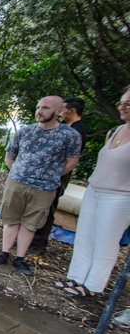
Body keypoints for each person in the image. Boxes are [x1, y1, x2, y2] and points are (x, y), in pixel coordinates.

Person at [0, 96, 81, 275]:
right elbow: (9, 157)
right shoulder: (25, 132)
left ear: (58, 111)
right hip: (17, 182)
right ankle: (4, 253)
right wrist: (19, 173)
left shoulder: (70, 135)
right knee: (11, 219)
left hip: (44, 188)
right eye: (38, 107)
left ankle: (20, 259)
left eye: (45, 108)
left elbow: (71, 162)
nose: (39, 111)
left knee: (31, 224)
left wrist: (49, 176)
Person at [55, 89, 130, 297]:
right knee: (85, 236)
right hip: (95, 190)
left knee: (105, 240)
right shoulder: (115, 131)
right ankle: (76, 278)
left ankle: (93, 285)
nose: (123, 106)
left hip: (120, 197)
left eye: (128, 103)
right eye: (121, 102)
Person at [28, 97, 88, 255]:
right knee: (35, 208)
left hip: (58, 176)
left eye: (63, 109)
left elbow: (71, 159)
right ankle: (27, 240)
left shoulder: (77, 130)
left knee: (47, 209)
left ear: (72, 111)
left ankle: (38, 244)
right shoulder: (60, 127)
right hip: (41, 175)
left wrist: (54, 174)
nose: (60, 113)